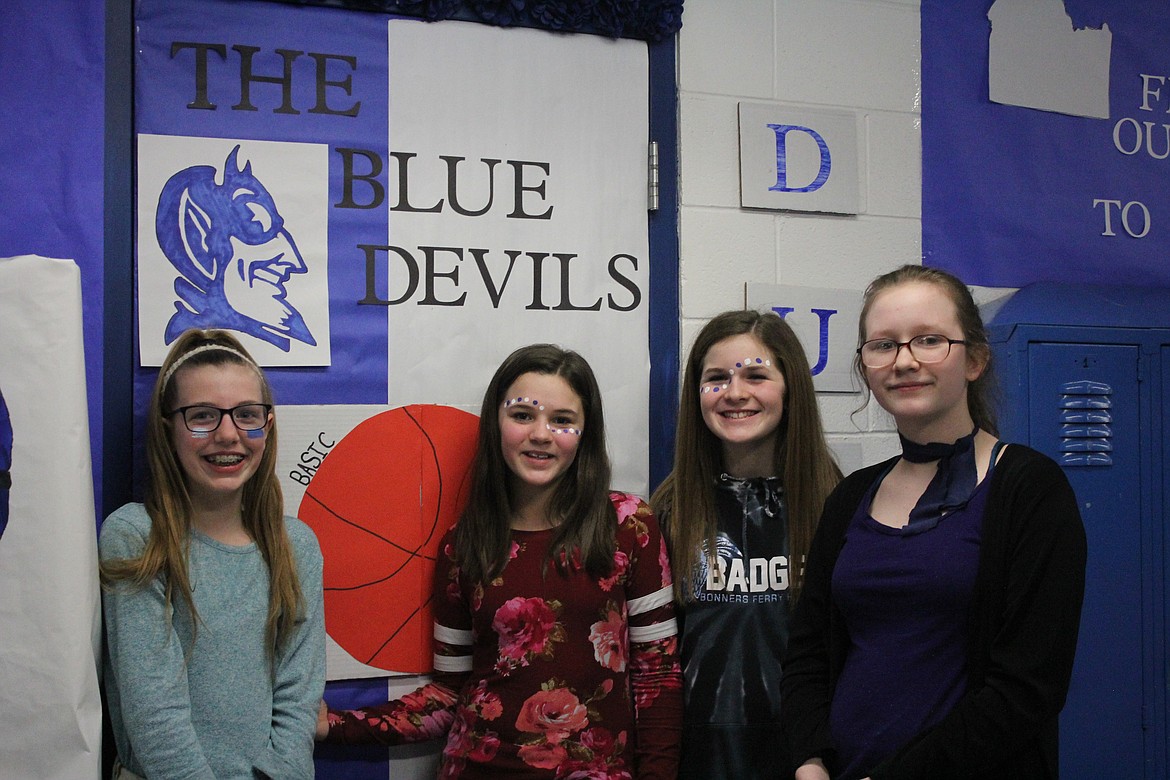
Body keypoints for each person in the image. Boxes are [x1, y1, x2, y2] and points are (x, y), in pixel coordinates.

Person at [319, 344, 683, 778]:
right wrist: (335, 725)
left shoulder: (629, 526)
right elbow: (449, 693)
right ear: (496, 422)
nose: (541, 434)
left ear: (586, 432)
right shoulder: (465, 543)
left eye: (562, 420)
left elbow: (657, 675)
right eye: (523, 414)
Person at [782, 265, 1087, 779]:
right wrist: (809, 760)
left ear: (975, 360)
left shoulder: (1030, 489)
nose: (904, 361)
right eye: (883, 345)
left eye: (928, 340)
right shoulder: (851, 496)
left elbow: (1028, 688)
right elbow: (808, 652)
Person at [100, 329, 326, 779]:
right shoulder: (138, 537)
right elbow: (155, 716)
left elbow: (298, 698)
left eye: (247, 415)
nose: (228, 435)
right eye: (202, 416)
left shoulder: (295, 545)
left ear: (269, 422)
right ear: (168, 428)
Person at [650, 310, 842, 779]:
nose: (735, 393)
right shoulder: (667, 510)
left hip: (807, 757)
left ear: (790, 387)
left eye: (756, 375)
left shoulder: (836, 503)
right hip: (696, 756)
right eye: (716, 378)